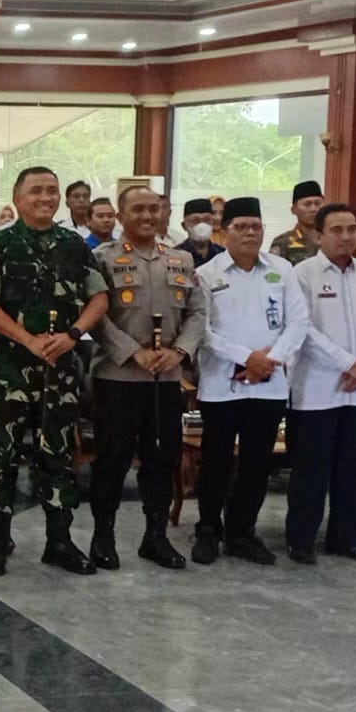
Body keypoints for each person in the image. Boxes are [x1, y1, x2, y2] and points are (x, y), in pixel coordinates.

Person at [0, 166, 109, 576]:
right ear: (17, 199)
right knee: (1, 456)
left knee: (58, 455)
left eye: (52, 190)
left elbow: (99, 298)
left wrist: (72, 335)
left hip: (60, 367)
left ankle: (60, 542)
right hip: (10, 368)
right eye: (36, 191)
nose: (45, 197)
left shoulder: (74, 244)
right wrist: (27, 340)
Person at [90, 187, 207, 570]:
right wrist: (131, 352)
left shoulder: (181, 259)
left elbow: (197, 313)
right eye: (137, 209)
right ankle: (103, 537)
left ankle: (155, 537)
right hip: (118, 378)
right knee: (112, 460)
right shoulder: (102, 258)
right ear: (120, 215)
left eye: (154, 209)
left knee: (161, 460)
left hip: (166, 379)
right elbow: (94, 314)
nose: (146, 216)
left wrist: (180, 352)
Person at [192, 197, 309, 565]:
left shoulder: (283, 270)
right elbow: (202, 331)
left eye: (255, 226)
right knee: (216, 462)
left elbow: (299, 322)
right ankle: (208, 531)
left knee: (257, 464)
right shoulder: (207, 274)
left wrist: (269, 361)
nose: (249, 233)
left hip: (269, 384)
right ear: (223, 232)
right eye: (240, 227)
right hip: (221, 384)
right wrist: (248, 358)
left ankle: (242, 532)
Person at [284, 203, 356, 564]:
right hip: (317, 389)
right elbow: (302, 330)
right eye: (336, 230)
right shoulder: (302, 274)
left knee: (354, 469)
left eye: (352, 229)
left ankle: (346, 538)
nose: (346, 236)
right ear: (318, 235)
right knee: (310, 470)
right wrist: (348, 364)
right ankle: (301, 539)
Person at [270, 180, 324, 264]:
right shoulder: (283, 242)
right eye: (307, 204)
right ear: (293, 210)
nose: (313, 209)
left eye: (317, 204)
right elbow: (274, 270)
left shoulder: (332, 239)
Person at [181, 197, 224, 267]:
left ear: (212, 223)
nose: (202, 225)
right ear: (184, 226)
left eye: (207, 220)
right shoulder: (174, 254)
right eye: (195, 220)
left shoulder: (222, 254)